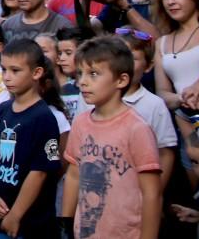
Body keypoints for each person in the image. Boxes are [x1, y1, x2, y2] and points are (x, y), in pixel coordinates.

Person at [61, 37, 161, 239]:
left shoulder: (136, 128)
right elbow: (73, 174)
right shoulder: (80, 122)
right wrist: (65, 222)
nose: (83, 81)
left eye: (94, 74)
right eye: (80, 74)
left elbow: (152, 194)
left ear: (121, 80)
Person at [0, 39, 61, 239]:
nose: (7, 77)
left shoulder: (44, 118)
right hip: (1, 213)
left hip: (33, 223)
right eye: (4, 70)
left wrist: (16, 215)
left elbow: (40, 172)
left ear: (36, 73)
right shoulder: (2, 110)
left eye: (15, 71)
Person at [117, 29, 178, 190]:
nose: (125, 63)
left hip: (137, 190)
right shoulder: (91, 98)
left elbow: (165, 153)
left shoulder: (154, 105)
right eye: (118, 55)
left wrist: (153, 196)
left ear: (148, 66)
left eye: (133, 58)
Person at [153, 0, 199, 116]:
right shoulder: (161, 43)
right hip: (185, 124)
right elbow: (162, 93)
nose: (170, 2)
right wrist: (182, 99)